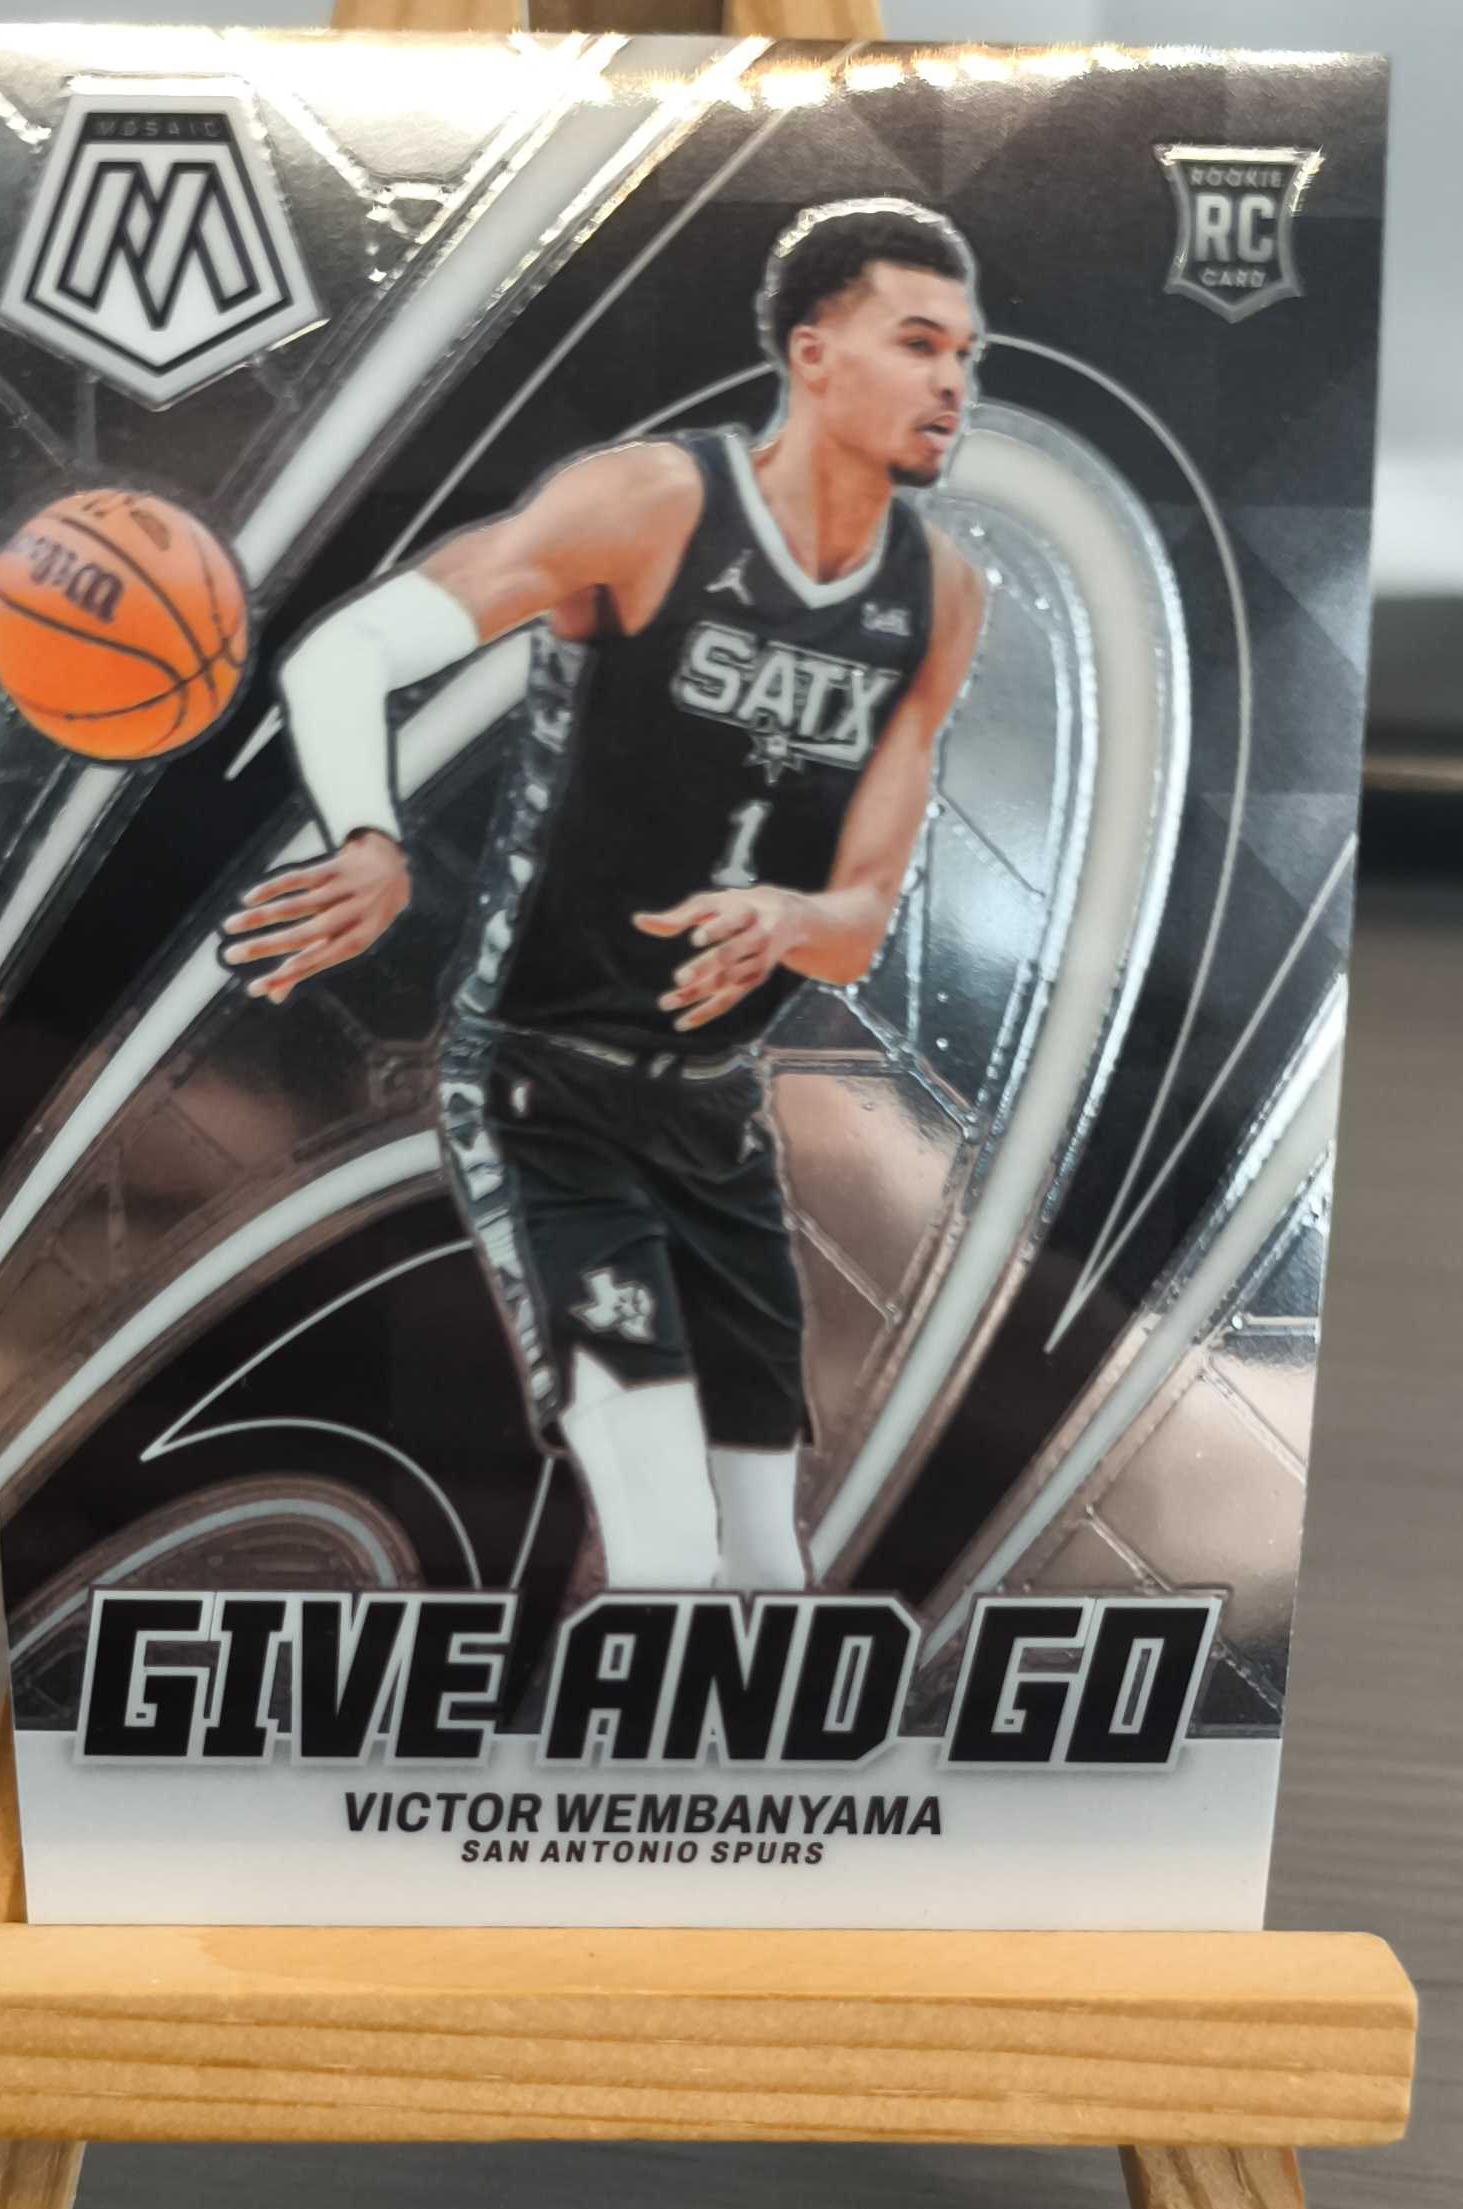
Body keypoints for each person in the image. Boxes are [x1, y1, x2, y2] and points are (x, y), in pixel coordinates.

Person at [221, 198, 986, 1593]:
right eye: (919, 343)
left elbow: (861, 917)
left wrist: (791, 918)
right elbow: (342, 654)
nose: (953, 381)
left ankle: (725, 1746)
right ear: (814, 354)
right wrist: (371, 839)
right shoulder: (649, 505)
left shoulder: (936, 595)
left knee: (769, 1563)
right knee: (666, 1540)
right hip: (543, 1083)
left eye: (965, 354)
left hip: (711, 1107)